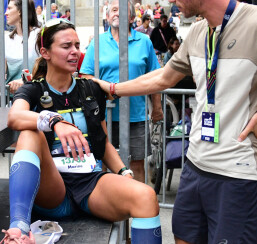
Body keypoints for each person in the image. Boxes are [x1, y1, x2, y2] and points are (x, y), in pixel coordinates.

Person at [92, 0, 257, 243]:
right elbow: (164, 77)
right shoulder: (198, 32)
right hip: (196, 165)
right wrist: (112, 89)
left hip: (240, 174)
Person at [0, 18, 161, 244]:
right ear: (45, 52)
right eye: (66, 46)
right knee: (30, 133)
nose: (75, 52)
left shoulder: (91, 88)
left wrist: (124, 172)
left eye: (77, 46)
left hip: (90, 182)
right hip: (52, 187)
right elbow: (15, 117)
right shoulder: (32, 89)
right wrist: (55, 120)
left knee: (146, 196)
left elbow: (102, 142)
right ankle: (19, 230)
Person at [80, 0, 163, 183]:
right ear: (108, 16)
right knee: (101, 162)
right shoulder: (98, 42)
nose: (117, 13)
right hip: (102, 116)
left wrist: (156, 108)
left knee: (136, 165)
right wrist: (105, 88)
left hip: (136, 115)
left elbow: (155, 77)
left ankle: (138, 207)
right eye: (114, 10)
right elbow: (85, 75)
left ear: (132, 17)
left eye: (122, 9)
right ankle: (103, 206)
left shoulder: (144, 41)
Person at [5, 0, 40, 94]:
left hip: (36, 94)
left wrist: (26, 80)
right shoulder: (7, 39)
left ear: (20, 11)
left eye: (9, 8)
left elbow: (49, 69)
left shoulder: (39, 35)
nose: (6, 13)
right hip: (10, 97)